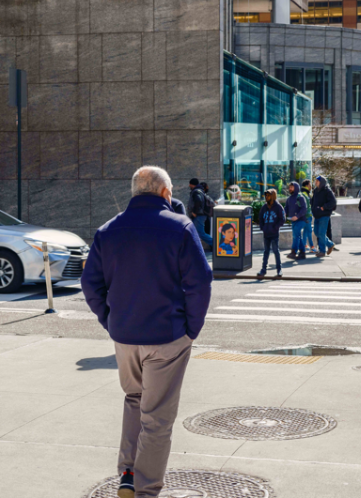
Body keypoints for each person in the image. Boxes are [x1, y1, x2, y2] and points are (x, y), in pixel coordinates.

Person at [81, 166, 212, 498]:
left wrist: (109, 319)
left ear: (134, 192)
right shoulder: (180, 227)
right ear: (166, 193)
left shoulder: (108, 230)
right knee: (157, 418)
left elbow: (90, 283)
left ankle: (127, 473)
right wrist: (191, 330)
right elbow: (201, 282)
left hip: (124, 335)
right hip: (167, 335)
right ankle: (146, 491)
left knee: (134, 399)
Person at [257, 188, 286, 279]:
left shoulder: (278, 207)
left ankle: (279, 269)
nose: (266, 197)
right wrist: (263, 227)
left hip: (274, 234)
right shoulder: (264, 207)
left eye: (268, 195)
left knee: (276, 251)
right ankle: (263, 270)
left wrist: (275, 227)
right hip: (266, 234)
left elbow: (282, 219)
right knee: (266, 252)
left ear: (273, 196)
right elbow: (260, 218)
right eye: (266, 195)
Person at [311, 175, 337, 257]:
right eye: (316, 181)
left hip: (324, 215)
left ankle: (322, 251)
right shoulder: (315, 191)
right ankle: (330, 244)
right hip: (317, 215)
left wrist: (324, 207)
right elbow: (313, 201)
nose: (316, 182)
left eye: (317, 181)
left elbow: (333, 202)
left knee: (321, 233)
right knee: (316, 232)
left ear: (321, 182)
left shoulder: (327, 191)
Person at [284, 182, 309, 260]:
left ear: (296, 187)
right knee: (298, 236)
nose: (290, 188)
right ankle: (302, 253)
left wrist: (297, 216)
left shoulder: (300, 197)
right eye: (289, 187)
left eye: (292, 187)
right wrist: (284, 212)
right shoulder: (289, 198)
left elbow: (304, 209)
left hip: (302, 220)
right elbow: (286, 207)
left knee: (295, 236)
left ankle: (293, 252)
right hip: (293, 220)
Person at [188, 178, 212, 248]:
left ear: (191, 184)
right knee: (194, 232)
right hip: (200, 215)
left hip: (199, 215)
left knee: (200, 233)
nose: (189, 186)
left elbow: (198, 201)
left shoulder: (196, 191)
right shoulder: (200, 190)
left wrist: (195, 212)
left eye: (189, 184)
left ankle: (215, 244)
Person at [301, 179, 316, 254]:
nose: (311, 186)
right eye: (310, 185)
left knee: (306, 231)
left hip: (307, 215)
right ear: (306, 186)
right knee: (309, 231)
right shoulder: (305, 194)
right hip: (307, 215)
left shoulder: (306, 193)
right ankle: (312, 247)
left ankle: (304, 245)